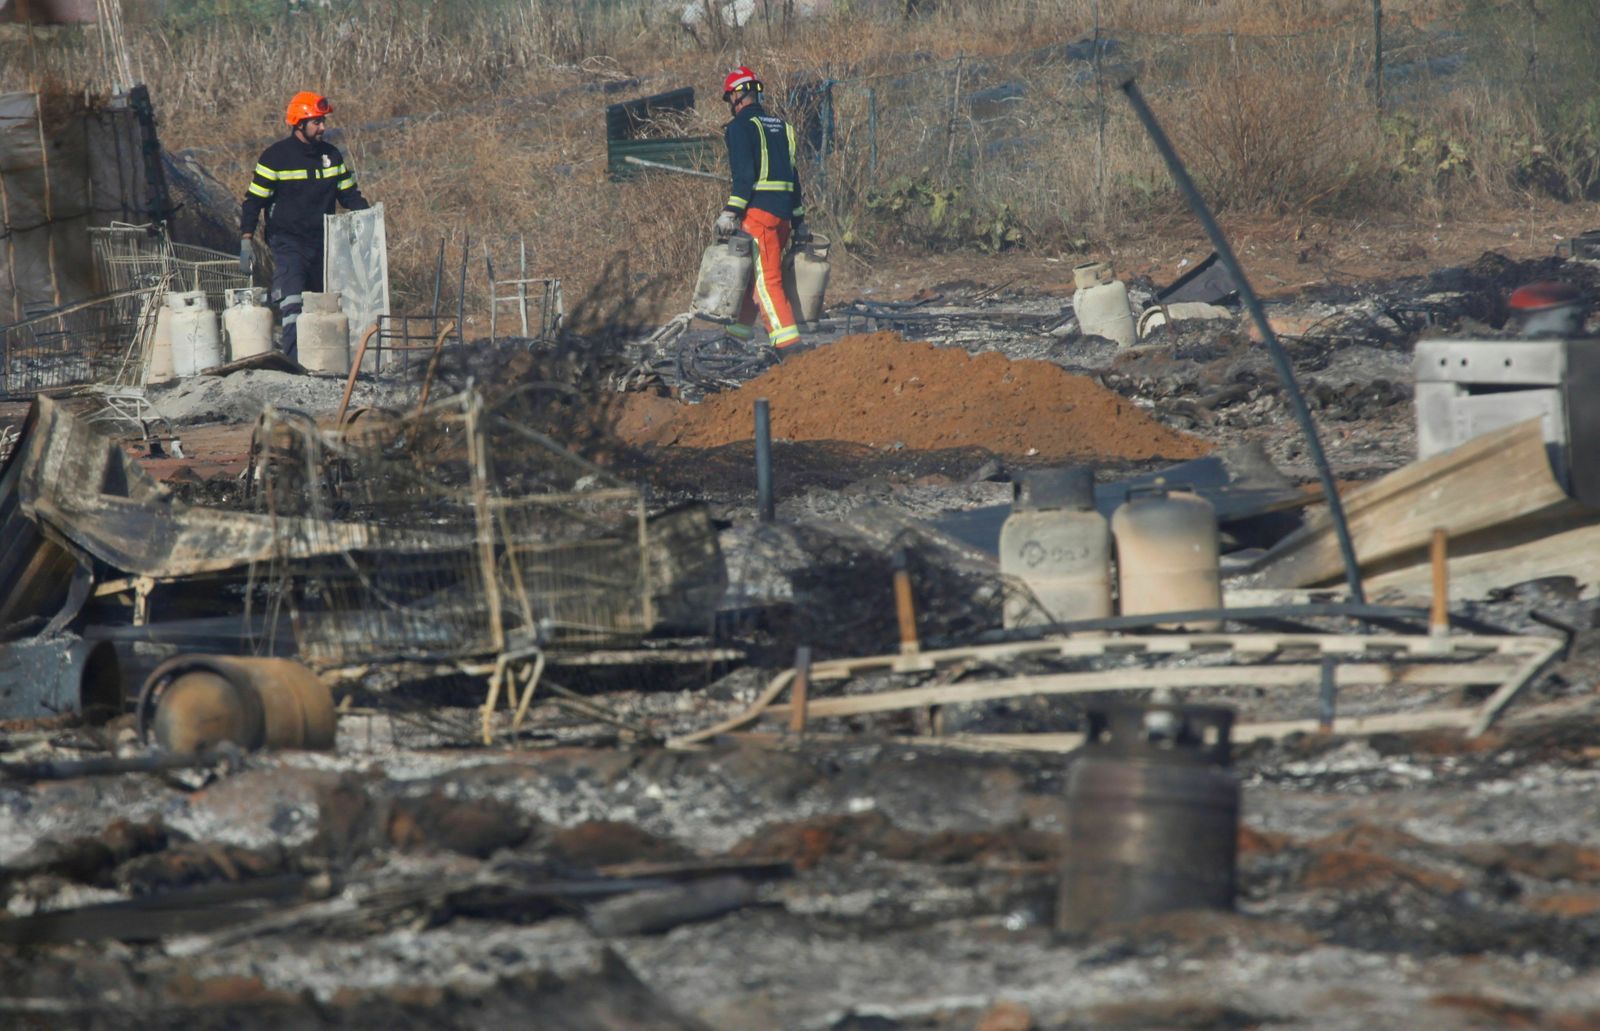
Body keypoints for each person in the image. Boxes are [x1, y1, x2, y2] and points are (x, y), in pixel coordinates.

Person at [239, 91, 369, 360]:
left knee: (320, 307)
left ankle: (321, 363)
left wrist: (369, 223)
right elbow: (253, 201)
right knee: (292, 301)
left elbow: (349, 195)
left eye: (323, 121)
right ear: (299, 123)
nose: (323, 127)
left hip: (324, 243)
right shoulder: (275, 158)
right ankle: (293, 362)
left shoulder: (331, 156)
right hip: (288, 242)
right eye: (316, 122)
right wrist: (246, 238)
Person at [715, 66, 809, 351]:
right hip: (781, 218)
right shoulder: (782, 126)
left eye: (730, 97)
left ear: (736, 96)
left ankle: (789, 347)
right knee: (750, 279)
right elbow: (793, 178)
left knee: (767, 283)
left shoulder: (740, 127)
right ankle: (734, 341)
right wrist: (799, 221)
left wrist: (730, 212)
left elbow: (744, 178)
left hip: (759, 217)